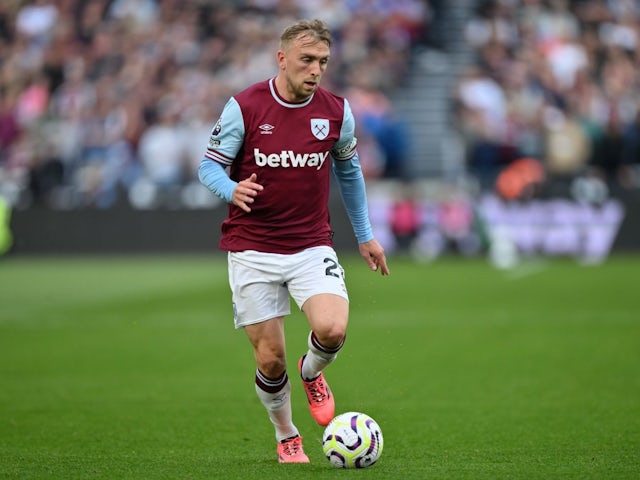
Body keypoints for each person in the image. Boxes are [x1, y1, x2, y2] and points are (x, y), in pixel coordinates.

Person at [197, 19, 389, 464]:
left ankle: (312, 373)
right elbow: (209, 167)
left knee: (332, 329)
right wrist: (231, 190)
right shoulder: (244, 106)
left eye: (322, 61)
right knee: (269, 361)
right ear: (282, 59)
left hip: (310, 244)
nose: (316, 69)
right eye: (307, 60)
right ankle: (287, 435)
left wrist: (366, 236)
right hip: (251, 247)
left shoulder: (336, 112)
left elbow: (350, 172)